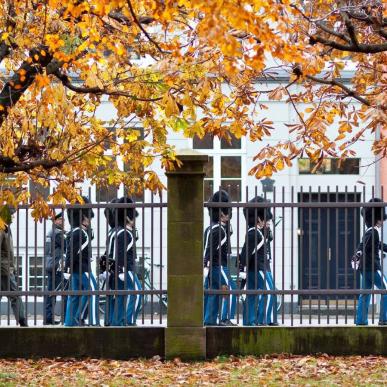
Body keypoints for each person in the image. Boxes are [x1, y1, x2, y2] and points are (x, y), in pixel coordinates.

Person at [239, 196, 276, 326]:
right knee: (270, 293)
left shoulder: (256, 232)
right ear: (259, 218)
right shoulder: (254, 233)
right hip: (258, 268)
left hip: (254, 269)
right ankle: (261, 321)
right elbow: (245, 252)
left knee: (252, 295)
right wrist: (242, 269)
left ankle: (250, 322)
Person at [64, 196, 99, 326]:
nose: (90, 219)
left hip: (76, 269)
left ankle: (69, 322)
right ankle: (91, 321)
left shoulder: (78, 231)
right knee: (93, 291)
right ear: (83, 216)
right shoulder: (78, 232)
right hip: (82, 268)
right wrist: (67, 268)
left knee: (73, 296)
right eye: (88, 216)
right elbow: (71, 253)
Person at [203, 190, 236, 326]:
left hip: (213, 266)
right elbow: (209, 249)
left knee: (213, 293)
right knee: (231, 290)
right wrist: (206, 265)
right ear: (221, 212)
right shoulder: (218, 230)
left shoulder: (213, 227)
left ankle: (209, 320)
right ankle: (224, 318)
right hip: (218, 265)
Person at [109, 196, 142, 326]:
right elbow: (119, 253)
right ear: (127, 217)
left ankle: (119, 321)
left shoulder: (119, 231)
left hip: (117, 269)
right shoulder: (124, 233)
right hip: (125, 269)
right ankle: (129, 320)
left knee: (120, 297)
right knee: (137, 293)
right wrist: (121, 270)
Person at [354, 198, 387, 326]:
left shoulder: (371, 231)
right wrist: (359, 252)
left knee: (365, 294)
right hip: (373, 267)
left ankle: (361, 321)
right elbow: (364, 245)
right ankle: (384, 319)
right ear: (377, 219)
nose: (382, 221)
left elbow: (378, 245)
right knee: (385, 291)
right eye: (381, 218)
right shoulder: (373, 231)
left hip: (365, 268)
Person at [0, 205, 27, 326]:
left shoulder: (5, 228)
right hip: (4, 270)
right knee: (15, 295)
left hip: (6, 268)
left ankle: (22, 320)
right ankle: (22, 321)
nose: (13, 217)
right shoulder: (2, 229)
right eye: (11, 215)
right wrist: (9, 269)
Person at [44, 211, 67, 325]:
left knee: (51, 292)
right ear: (55, 221)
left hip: (50, 264)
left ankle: (48, 317)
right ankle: (61, 317)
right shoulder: (58, 233)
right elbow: (67, 245)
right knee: (61, 291)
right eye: (61, 220)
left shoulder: (50, 232)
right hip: (57, 266)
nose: (63, 221)